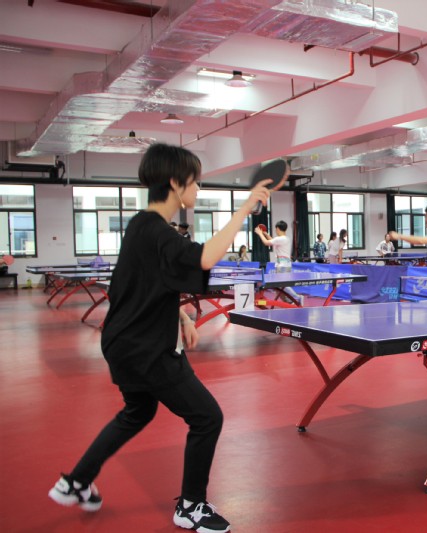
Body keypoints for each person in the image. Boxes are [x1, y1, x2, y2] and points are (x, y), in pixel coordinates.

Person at [47, 143, 272, 533]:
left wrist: (180, 314)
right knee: (207, 417)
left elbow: (138, 286)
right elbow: (204, 257)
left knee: (138, 412)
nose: (198, 189)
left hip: (121, 344)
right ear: (175, 183)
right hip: (147, 349)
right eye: (195, 182)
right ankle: (191, 506)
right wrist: (244, 208)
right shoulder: (158, 232)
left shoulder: (140, 226)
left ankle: (76, 481)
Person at [254, 220, 303, 306]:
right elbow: (273, 241)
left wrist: (260, 234)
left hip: (282, 266)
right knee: (280, 286)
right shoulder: (286, 238)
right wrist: (265, 234)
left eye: (275, 229)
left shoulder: (280, 239)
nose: (275, 230)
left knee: (282, 284)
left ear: (277, 229)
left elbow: (266, 243)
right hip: (285, 264)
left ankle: (297, 297)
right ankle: (289, 302)